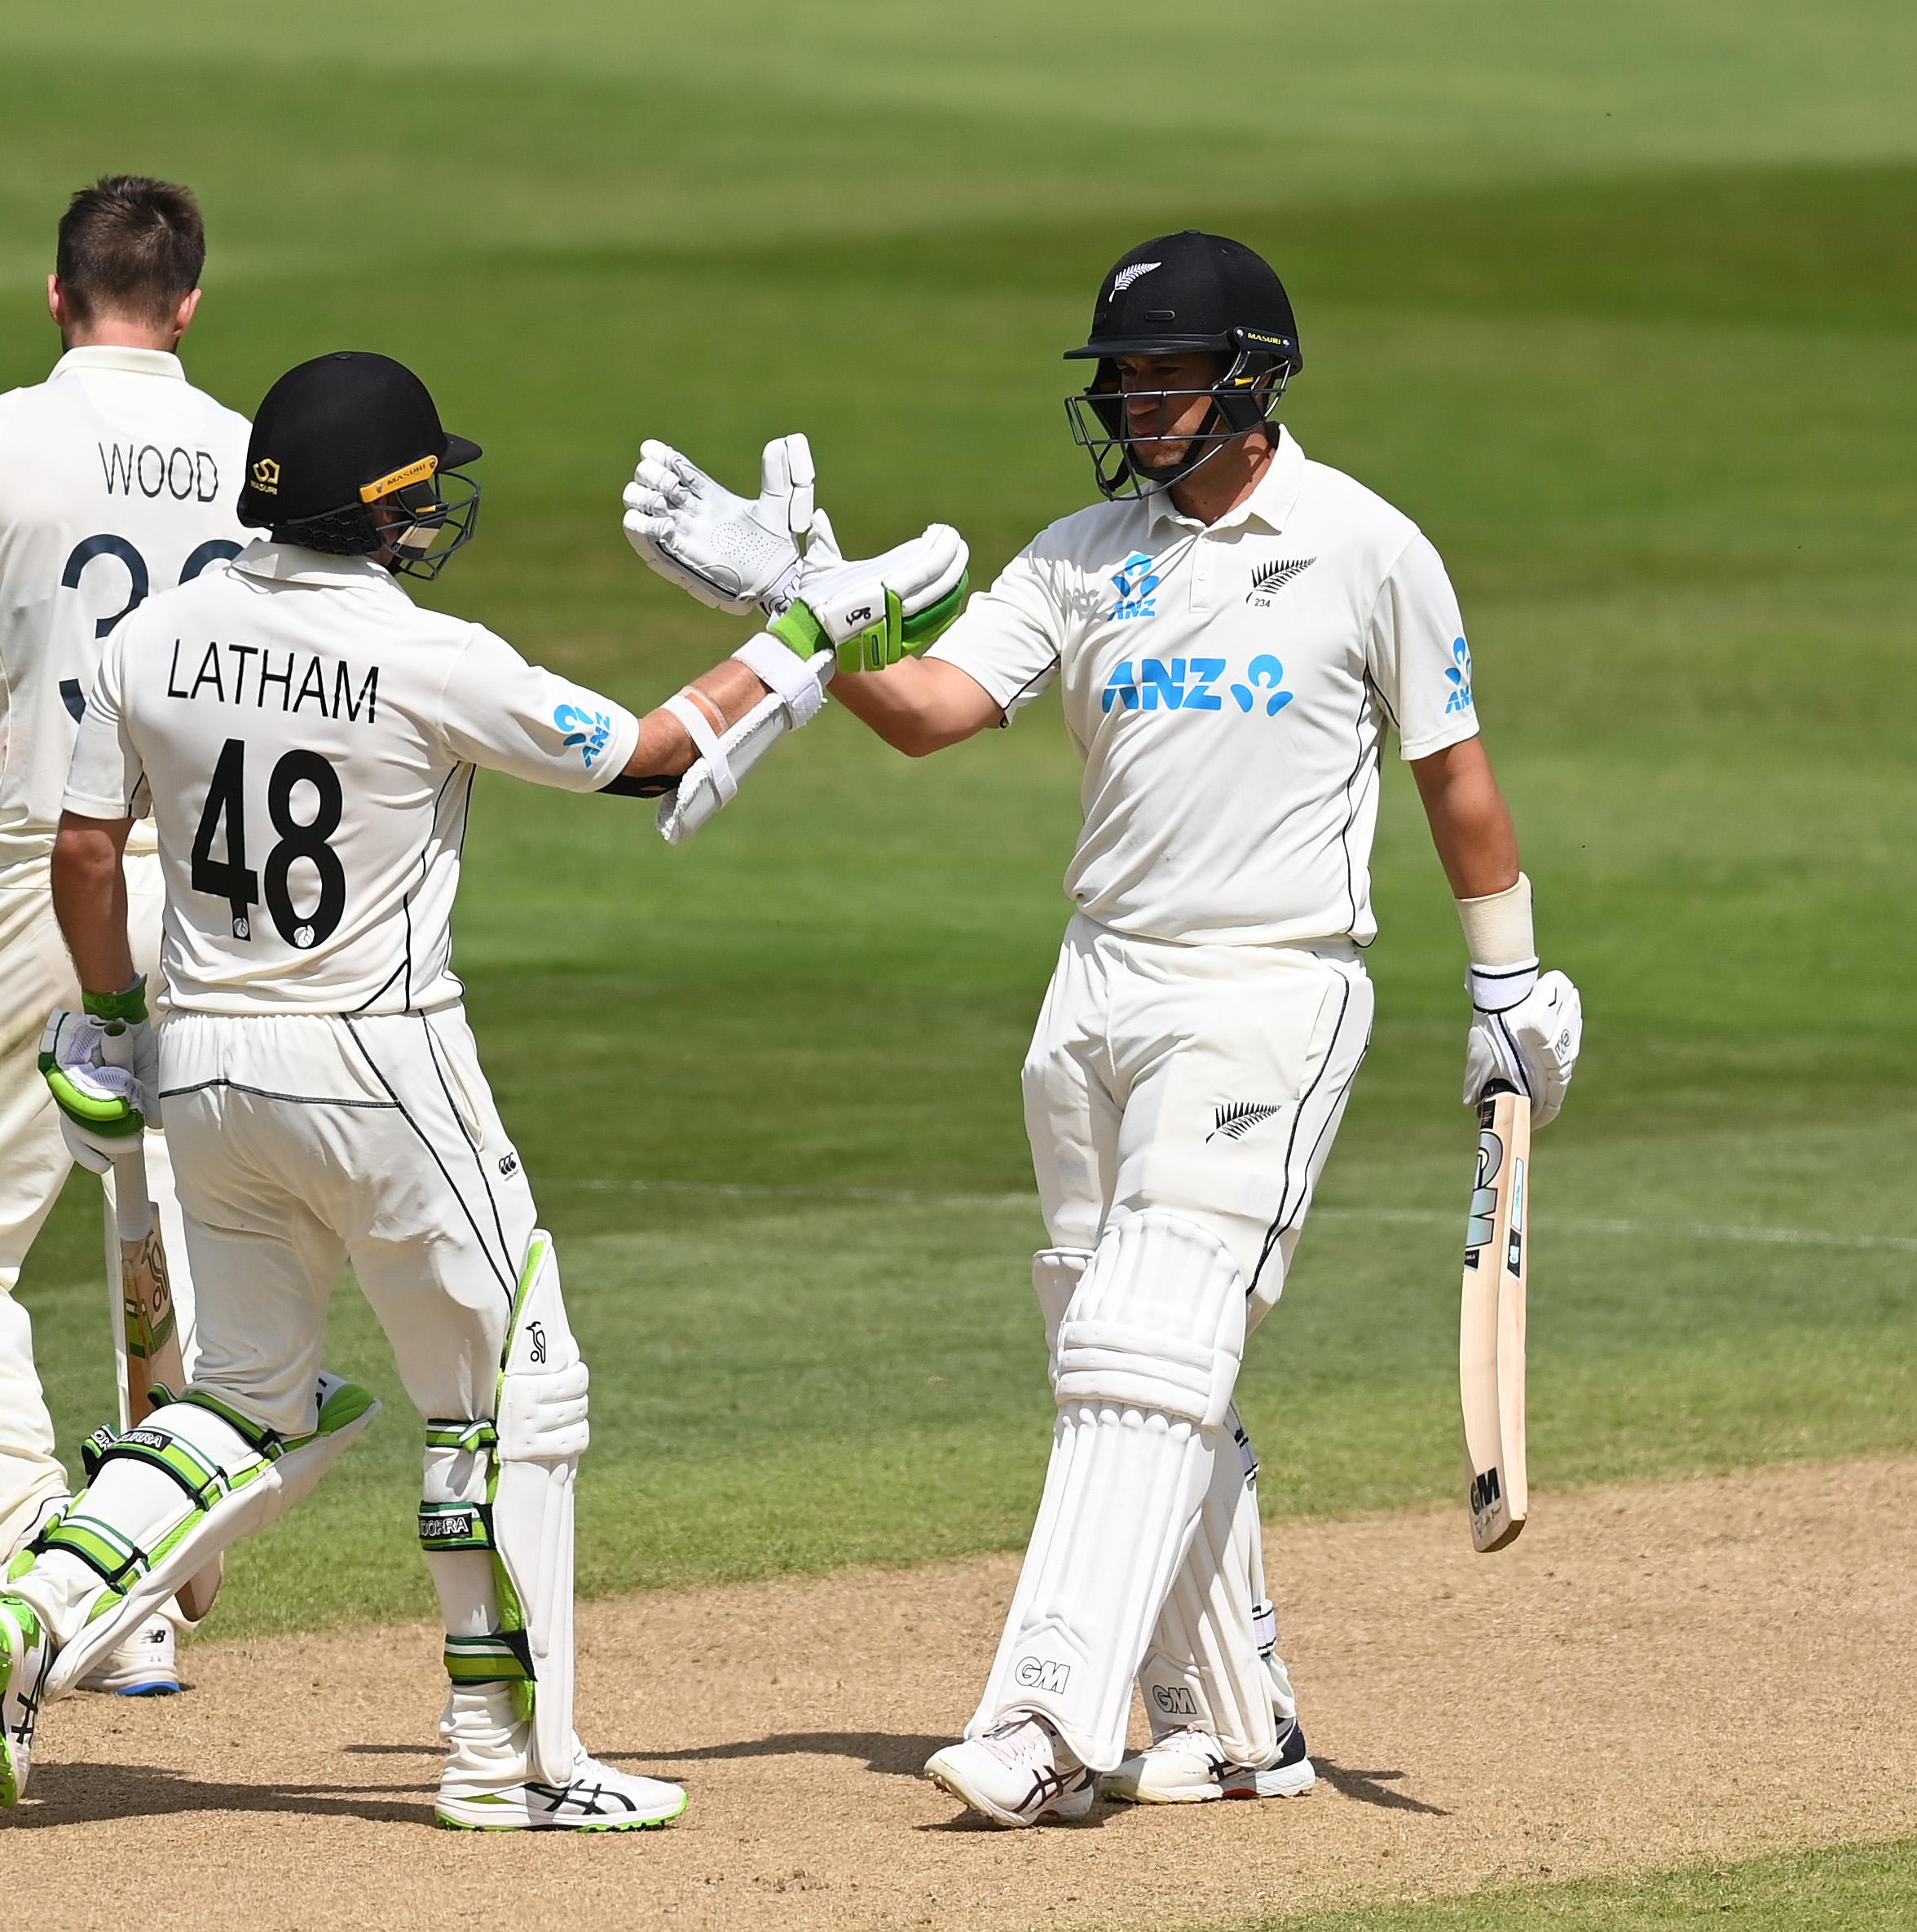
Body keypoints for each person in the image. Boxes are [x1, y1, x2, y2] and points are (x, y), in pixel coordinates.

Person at [619, 232, 1584, 1827]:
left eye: (1167, 374)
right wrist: (804, 605)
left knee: (1145, 1344)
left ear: (1249, 379)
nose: (1138, 403)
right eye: (1121, 379)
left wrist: (1505, 984)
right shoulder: (1080, 554)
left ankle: (1044, 1719)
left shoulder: (1363, 547)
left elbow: (1452, 775)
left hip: (1268, 987)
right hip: (1095, 988)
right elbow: (927, 711)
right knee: (1109, 1333)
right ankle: (1231, 1722)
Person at [0, 350, 965, 1828]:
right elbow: (654, 757)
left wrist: (106, 1023)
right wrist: (811, 619)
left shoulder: (151, 640)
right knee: (509, 1398)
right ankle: (509, 1760)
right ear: (384, 510)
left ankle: (35, 1602)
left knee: (237, 1402)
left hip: (207, 1063)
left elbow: (87, 852)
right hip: (381, 1062)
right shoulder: (432, 651)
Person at [0, 175, 249, 1695]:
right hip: (226, 880)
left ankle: (60, 1567)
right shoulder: (253, 453)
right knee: (156, 1231)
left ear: (54, 293)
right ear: (187, 308)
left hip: (49, 860)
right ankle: (147, 1587)